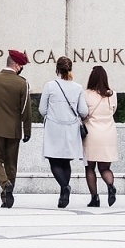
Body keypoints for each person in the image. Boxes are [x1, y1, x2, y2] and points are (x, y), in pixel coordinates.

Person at [0, 49, 31, 208]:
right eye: (22, 65)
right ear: (16, 65)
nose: (22, 67)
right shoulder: (22, 83)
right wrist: (27, 130)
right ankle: (6, 197)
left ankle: (5, 185)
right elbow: (26, 110)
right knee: (11, 164)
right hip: (14, 130)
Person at [38, 56, 86, 208]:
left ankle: (65, 188)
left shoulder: (50, 86)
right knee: (66, 162)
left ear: (57, 69)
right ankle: (63, 192)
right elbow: (83, 111)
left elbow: (42, 109)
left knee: (54, 160)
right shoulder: (77, 87)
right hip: (71, 128)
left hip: (54, 127)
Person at [82, 65, 118, 207]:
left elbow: (83, 112)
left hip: (92, 133)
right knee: (104, 168)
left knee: (90, 168)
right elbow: (113, 111)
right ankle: (110, 186)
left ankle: (95, 198)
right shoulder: (112, 94)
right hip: (108, 133)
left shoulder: (86, 94)